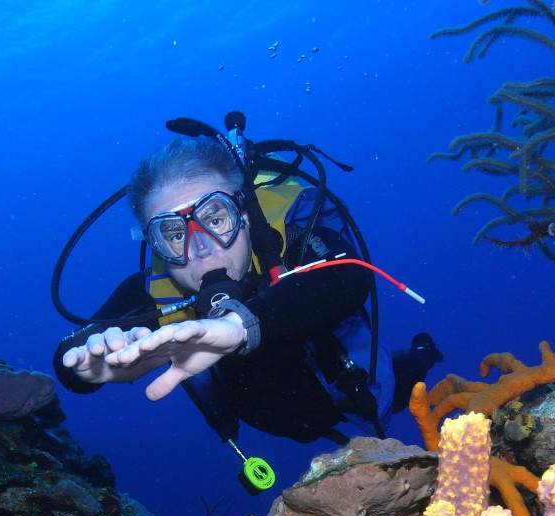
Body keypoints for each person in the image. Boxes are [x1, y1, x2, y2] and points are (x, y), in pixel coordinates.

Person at [54, 134, 441, 449]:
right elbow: (67, 357)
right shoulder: (155, 290)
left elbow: (348, 278)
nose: (201, 247)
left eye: (215, 218)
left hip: (353, 386)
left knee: (406, 378)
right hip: (277, 419)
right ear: (155, 246)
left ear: (244, 213)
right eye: (174, 233)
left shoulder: (291, 239)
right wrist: (94, 368)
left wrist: (241, 326)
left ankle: (423, 351)